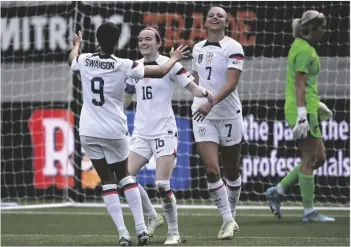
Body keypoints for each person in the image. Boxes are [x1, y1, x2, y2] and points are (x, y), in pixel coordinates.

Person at [67, 22, 189, 246]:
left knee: (107, 182)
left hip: (88, 130)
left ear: (97, 41)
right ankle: (142, 228)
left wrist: (77, 45)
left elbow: (71, 61)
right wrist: (175, 58)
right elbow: (161, 71)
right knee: (125, 177)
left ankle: (123, 233)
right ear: (117, 43)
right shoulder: (124, 64)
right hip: (114, 131)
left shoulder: (83, 60)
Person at [123, 27, 214, 245]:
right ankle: (153, 216)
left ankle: (174, 232)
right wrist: (114, 115)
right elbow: (125, 100)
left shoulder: (171, 64)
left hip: (165, 131)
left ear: (158, 42)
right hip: (142, 133)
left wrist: (204, 93)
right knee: (125, 179)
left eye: (148, 39)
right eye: (140, 39)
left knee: (162, 185)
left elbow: (192, 87)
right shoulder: (134, 67)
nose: (144, 42)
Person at [265, 10, 335, 222]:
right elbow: (299, 83)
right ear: (311, 28)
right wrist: (303, 113)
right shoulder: (303, 50)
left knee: (319, 158)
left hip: (308, 107)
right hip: (302, 110)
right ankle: (308, 212)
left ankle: (278, 190)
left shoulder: (303, 46)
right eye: (322, 27)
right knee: (311, 158)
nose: (325, 31)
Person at [191, 7, 245, 239]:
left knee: (231, 170)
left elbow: (232, 84)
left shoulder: (233, 47)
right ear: (205, 23)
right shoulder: (196, 49)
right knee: (212, 170)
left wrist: (210, 103)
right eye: (211, 15)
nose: (215, 17)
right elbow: (195, 80)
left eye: (220, 15)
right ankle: (227, 220)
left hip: (228, 114)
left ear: (226, 23)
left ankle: (230, 215)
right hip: (202, 114)